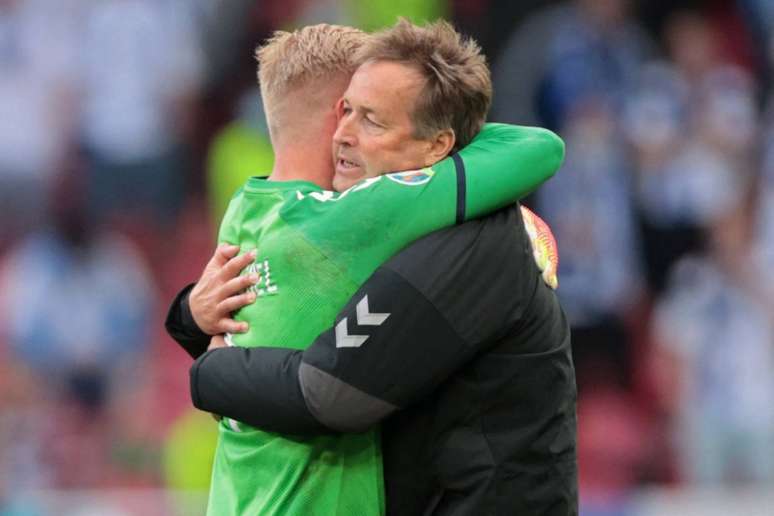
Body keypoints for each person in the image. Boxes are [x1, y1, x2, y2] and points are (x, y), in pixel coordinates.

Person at [167, 20, 575, 515]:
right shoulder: (350, 218)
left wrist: (209, 367)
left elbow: (330, 392)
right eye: (346, 111)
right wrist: (192, 318)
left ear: (436, 147)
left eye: (372, 120)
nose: (343, 134)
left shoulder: (277, 209)